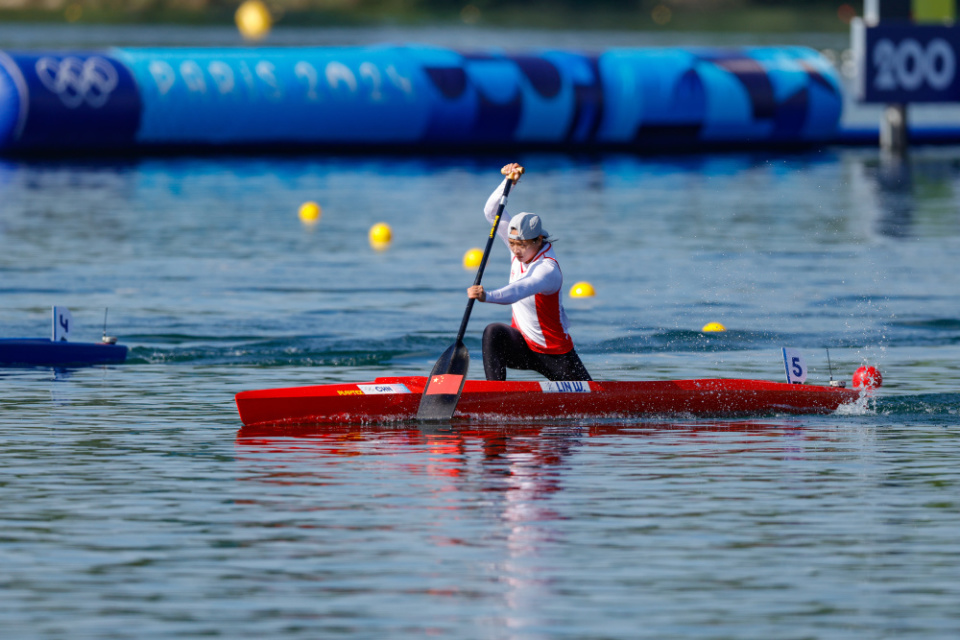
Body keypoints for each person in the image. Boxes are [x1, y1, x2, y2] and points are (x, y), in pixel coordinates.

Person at [467, 163, 592, 382]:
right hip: (523, 346)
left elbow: (520, 289)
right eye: (512, 243)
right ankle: (496, 398)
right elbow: (490, 211)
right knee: (493, 332)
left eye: (522, 245)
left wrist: (487, 296)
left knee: (593, 405)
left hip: (555, 354)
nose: (515, 250)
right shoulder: (519, 248)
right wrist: (509, 182)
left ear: (539, 240)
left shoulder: (547, 269)